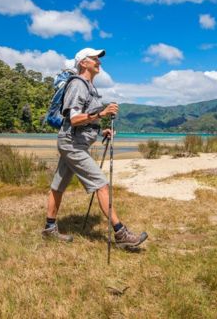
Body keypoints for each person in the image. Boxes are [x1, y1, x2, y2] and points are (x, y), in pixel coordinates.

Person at [42, 48, 148, 249]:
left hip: (74, 142)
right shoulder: (78, 85)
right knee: (101, 184)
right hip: (72, 144)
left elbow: (85, 120)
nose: (99, 61)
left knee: (58, 185)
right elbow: (73, 119)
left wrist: (101, 130)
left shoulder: (89, 87)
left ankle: (49, 228)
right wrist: (102, 113)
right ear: (83, 63)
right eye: (94, 58)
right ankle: (120, 233)